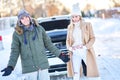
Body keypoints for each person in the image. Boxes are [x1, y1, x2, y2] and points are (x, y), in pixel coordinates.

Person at [1, 9, 70, 80]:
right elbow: (15, 51)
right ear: (19, 20)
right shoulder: (17, 34)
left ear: (29, 17)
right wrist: (10, 66)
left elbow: (49, 45)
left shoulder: (39, 29)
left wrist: (60, 55)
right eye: (22, 18)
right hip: (29, 69)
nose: (25, 19)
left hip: (42, 66)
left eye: (26, 17)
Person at [66, 3, 99, 80]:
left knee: (92, 71)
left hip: (85, 51)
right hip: (75, 53)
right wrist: (70, 48)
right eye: (73, 17)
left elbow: (93, 38)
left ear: (80, 16)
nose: (74, 18)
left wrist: (85, 46)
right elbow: (67, 40)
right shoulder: (70, 27)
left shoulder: (87, 25)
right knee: (76, 73)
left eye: (76, 16)